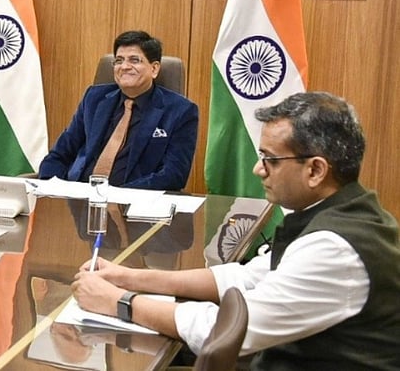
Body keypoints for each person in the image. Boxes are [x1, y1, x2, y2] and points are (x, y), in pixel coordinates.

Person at [72, 92, 400, 370]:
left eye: (269, 159)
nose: (258, 169)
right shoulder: (336, 214)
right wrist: (127, 277)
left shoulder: (334, 249)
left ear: (315, 170)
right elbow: (243, 278)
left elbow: (224, 329)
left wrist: (119, 301)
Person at [38, 31, 198, 190]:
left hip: (134, 205)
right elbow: (59, 154)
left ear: (154, 69)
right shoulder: (94, 98)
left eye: (134, 60)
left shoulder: (181, 111)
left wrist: (119, 196)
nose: (125, 67)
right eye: (119, 61)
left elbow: (173, 175)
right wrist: (50, 189)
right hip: (78, 199)